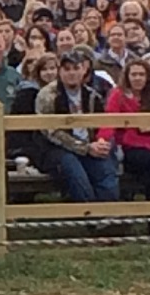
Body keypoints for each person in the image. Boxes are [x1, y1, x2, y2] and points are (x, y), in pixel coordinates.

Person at [36, 49, 118, 203]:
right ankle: (90, 218)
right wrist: (84, 148)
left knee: (106, 171)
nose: (71, 73)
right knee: (74, 170)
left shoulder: (93, 95)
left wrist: (101, 142)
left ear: (84, 70)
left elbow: (103, 123)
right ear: (60, 71)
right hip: (57, 149)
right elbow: (50, 131)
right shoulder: (47, 95)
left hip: (91, 145)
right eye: (67, 69)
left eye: (76, 68)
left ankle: (109, 216)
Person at [103, 57, 150, 201]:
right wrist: (103, 140)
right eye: (134, 74)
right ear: (127, 76)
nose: (138, 78)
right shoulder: (117, 95)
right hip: (130, 148)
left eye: (141, 75)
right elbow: (109, 122)